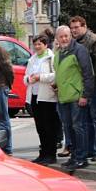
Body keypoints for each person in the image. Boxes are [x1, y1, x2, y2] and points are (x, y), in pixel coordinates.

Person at [53, 25, 94, 171]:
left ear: (70, 36)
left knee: (79, 127)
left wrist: (85, 95)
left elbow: (87, 73)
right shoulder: (58, 53)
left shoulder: (79, 50)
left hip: (77, 97)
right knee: (69, 128)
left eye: (66, 36)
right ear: (57, 38)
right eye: (61, 36)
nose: (64, 39)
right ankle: (74, 156)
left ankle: (82, 158)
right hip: (64, 97)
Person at [70, 16, 96, 162]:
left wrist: (92, 85)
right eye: (72, 28)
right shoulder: (75, 42)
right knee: (86, 120)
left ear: (84, 26)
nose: (73, 31)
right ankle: (90, 149)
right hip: (83, 86)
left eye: (76, 28)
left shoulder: (94, 41)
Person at [26, 34, 60, 165]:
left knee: (49, 126)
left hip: (47, 96)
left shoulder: (51, 58)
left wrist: (40, 77)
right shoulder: (32, 59)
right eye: (35, 44)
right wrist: (29, 79)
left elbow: (56, 75)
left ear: (46, 45)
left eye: (39, 44)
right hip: (34, 95)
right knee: (40, 127)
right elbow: (26, 76)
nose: (37, 47)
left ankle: (51, 154)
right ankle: (43, 152)